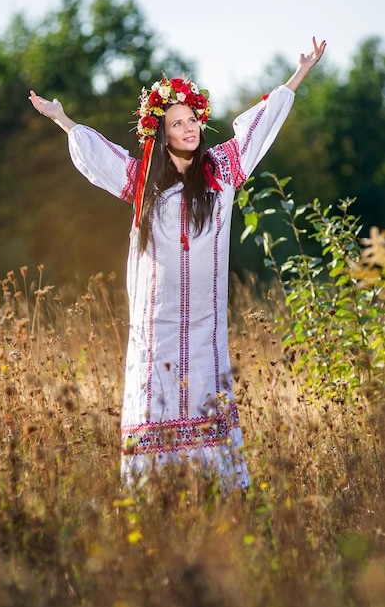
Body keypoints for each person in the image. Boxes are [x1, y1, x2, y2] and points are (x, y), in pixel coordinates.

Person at [29, 37, 326, 492]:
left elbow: (260, 127)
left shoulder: (222, 171)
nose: (189, 128)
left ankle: (215, 492)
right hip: (157, 324)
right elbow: (100, 157)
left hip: (206, 326)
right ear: (161, 134)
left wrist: (299, 72)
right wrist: (62, 119)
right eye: (178, 123)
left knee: (206, 397)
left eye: (192, 120)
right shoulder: (144, 182)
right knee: (156, 400)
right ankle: (153, 494)